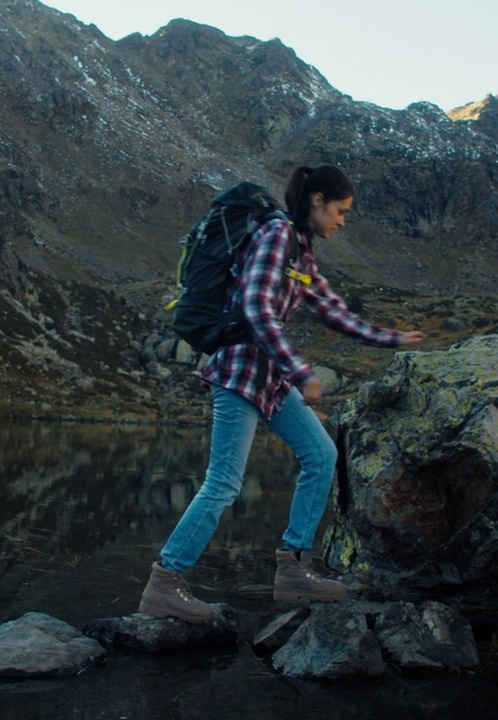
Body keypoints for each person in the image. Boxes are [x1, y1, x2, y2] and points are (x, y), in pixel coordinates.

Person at [139, 165, 426, 622]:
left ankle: (293, 569)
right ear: (317, 200)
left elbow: (332, 310)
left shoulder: (301, 253)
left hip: (269, 379)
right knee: (224, 483)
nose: (343, 221)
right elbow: (255, 307)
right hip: (240, 374)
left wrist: (392, 338)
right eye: (341, 210)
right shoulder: (276, 235)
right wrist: (302, 370)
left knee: (321, 454)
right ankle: (165, 583)